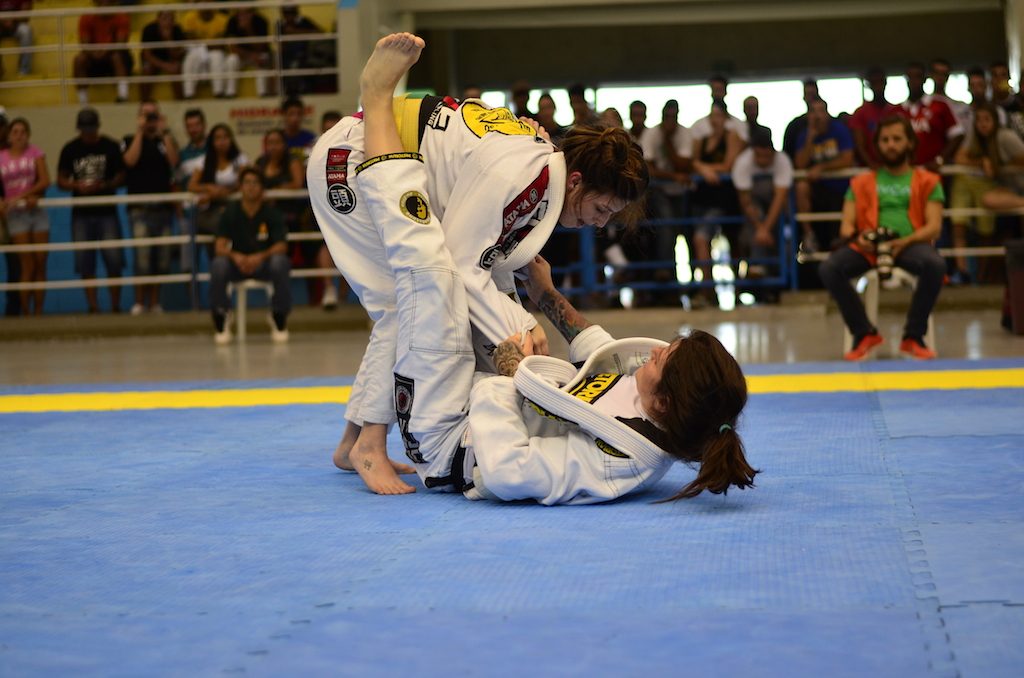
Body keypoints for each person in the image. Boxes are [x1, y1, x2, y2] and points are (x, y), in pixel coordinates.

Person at [329, 32, 755, 504]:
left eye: (665, 359)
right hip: (350, 154)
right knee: (424, 289)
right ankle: (358, 443)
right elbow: (602, 353)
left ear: (666, 402)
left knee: (427, 279)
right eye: (602, 210)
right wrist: (545, 299)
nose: (656, 352)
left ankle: (364, 442)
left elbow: (509, 471)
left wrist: (509, 379)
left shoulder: (621, 455)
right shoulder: (648, 401)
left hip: (452, 438)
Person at [818, 115, 946, 361]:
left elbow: (934, 228)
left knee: (936, 264)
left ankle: (913, 337)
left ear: (910, 143)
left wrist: (905, 242)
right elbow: (846, 227)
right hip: (869, 247)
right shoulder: (860, 182)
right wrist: (860, 237)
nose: (891, 145)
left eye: (897, 139)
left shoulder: (929, 181)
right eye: (885, 140)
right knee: (829, 268)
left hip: (911, 245)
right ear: (877, 145)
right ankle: (863, 333)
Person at [209, 167, 290, 344]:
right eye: (247, 182)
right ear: (240, 187)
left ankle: (279, 315)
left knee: (280, 262)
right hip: (237, 265)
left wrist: (260, 257)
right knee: (218, 264)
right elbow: (219, 246)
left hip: (263, 265)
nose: (251, 187)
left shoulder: (272, 214)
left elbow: (281, 245)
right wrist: (236, 256)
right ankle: (221, 316)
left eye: (255, 183)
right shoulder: (230, 212)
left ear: (262, 187)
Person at [57, 108, 126, 313]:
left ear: (98, 127)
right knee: (85, 262)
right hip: (81, 213)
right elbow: (61, 179)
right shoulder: (70, 149)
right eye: (84, 130)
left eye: (91, 130)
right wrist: (77, 186)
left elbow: (122, 176)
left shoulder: (111, 146)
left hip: (107, 211)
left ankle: (115, 305)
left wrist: (103, 185)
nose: (87, 134)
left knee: (114, 260)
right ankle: (93, 306)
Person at [122, 100, 179, 315]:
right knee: (142, 258)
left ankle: (155, 303)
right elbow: (129, 161)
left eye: (153, 115)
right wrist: (139, 131)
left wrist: (164, 132)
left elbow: (174, 161)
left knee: (162, 260)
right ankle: (139, 303)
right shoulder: (129, 140)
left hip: (163, 210)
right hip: (139, 210)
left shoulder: (166, 141)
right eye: (146, 116)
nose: (149, 120)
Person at [690, 101, 743, 307]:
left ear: (726, 118)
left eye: (719, 116)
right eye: (712, 116)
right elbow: (692, 163)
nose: (715, 120)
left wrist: (703, 167)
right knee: (700, 240)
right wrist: (703, 169)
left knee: (710, 239)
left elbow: (728, 165)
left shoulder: (732, 137)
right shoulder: (701, 140)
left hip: (723, 199)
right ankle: (708, 290)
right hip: (702, 198)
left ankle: (734, 288)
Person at [732, 126, 792, 291]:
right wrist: (761, 228)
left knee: (781, 222)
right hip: (755, 207)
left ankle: (773, 275)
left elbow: (779, 199)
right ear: (753, 152)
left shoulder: (783, 161)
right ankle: (759, 264)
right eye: (759, 156)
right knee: (754, 216)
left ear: (773, 152)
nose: (763, 161)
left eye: (767, 156)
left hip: (774, 207)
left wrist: (765, 228)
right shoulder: (743, 163)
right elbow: (746, 201)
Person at [0, 117, 50, 315]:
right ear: (9, 135)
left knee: (40, 263)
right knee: (26, 263)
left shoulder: (35, 152)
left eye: (23, 132)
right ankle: (26, 311)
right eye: (15, 132)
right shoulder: (1, 156)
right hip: (15, 215)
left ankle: (38, 311)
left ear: (28, 135)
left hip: (36, 212)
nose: (19, 136)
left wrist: (24, 196)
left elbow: (45, 180)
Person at [794, 97, 854, 253]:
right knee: (801, 187)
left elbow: (847, 159)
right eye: (813, 111)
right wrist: (811, 136)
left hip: (840, 188)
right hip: (817, 190)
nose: (818, 116)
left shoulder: (839, 130)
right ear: (808, 115)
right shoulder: (804, 135)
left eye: (821, 111)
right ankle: (809, 235)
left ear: (828, 113)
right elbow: (800, 164)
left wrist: (822, 167)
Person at [187, 123, 249, 259]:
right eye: (218, 138)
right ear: (212, 142)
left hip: (235, 210)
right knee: (214, 251)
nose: (222, 142)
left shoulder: (240, 160)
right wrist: (208, 188)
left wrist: (219, 193)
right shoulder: (204, 161)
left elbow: (243, 184)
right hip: (211, 211)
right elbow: (192, 186)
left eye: (226, 137)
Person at [888, 62, 963, 170]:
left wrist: (940, 159)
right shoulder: (895, 111)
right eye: (910, 77)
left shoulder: (940, 105)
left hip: (932, 172)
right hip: (903, 172)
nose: (914, 81)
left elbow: (957, 135)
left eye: (918, 76)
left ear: (925, 79)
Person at [74, 0, 131, 104]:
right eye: (100, 2)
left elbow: (121, 42)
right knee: (79, 59)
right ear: (95, 3)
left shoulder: (122, 16)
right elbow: (84, 43)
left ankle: (123, 96)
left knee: (116, 56)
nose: (104, 5)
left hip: (115, 56)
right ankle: (82, 101)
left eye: (108, 2)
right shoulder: (86, 17)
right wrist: (94, 52)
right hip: (94, 57)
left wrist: (105, 50)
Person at [181, 0, 229, 99]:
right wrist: (207, 44)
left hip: (214, 51)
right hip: (197, 50)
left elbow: (220, 44)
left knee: (217, 57)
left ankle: (219, 93)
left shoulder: (222, 19)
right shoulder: (189, 17)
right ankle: (188, 94)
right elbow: (189, 40)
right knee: (191, 58)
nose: (206, 2)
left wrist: (202, 44)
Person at [225, 7, 272, 98]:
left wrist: (248, 29)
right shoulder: (233, 21)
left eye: (245, 13)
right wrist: (251, 56)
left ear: (252, 13)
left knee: (263, 59)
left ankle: (263, 94)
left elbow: (261, 48)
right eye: (239, 13)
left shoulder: (261, 21)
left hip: (257, 54)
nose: (241, 15)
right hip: (242, 55)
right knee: (231, 60)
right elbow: (232, 47)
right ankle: (230, 93)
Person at [277, 4, 324, 95]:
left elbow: (320, 32)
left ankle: (307, 90)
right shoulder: (279, 24)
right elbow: (279, 44)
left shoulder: (304, 22)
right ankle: (279, 91)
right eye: (286, 13)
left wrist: (296, 32)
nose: (288, 16)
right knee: (276, 62)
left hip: (304, 54)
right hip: (286, 56)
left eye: (291, 13)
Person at [140, 10, 185, 101]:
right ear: (157, 20)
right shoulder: (149, 29)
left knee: (176, 68)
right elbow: (147, 56)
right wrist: (166, 66)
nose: (167, 22)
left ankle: (180, 102)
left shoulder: (177, 30)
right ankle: (144, 103)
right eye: (164, 18)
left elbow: (176, 56)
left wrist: (168, 39)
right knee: (147, 70)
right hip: (152, 60)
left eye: (170, 19)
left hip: (169, 59)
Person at [849, 67, 889, 168]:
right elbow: (859, 146)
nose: (878, 86)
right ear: (869, 85)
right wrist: (872, 165)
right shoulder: (860, 113)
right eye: (874, 83)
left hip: (893, 166)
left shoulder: (894, 111)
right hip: (869, 169)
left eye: (880, 82)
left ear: (885, 83)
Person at [783, 79, 819, 159]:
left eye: (813, 95)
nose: (811, 99)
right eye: (808, 94)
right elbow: (788, 155)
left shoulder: (833, 125)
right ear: (804, 97)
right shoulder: (794, 126)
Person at [0, 0, 33, 78]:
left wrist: (12, 21)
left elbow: (26, 13)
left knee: (26, 31)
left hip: (16, 24)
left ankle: (24, 72)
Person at [281, 97, 316, 162]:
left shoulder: (310, 138)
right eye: (291, 114)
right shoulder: (278, 138)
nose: (295, 118)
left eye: (299, 114)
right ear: (284, 115)